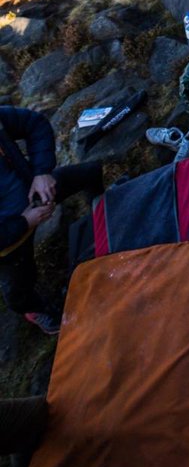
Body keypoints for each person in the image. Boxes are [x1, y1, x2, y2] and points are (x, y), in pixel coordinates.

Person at [0, 105, 103, 334]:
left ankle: (103, 214)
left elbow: (34, 123)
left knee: (91, 172)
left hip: (36, 192)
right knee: (17, 293)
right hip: (10, 243)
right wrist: (26, 222)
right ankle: (39, 311)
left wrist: (41, 172)